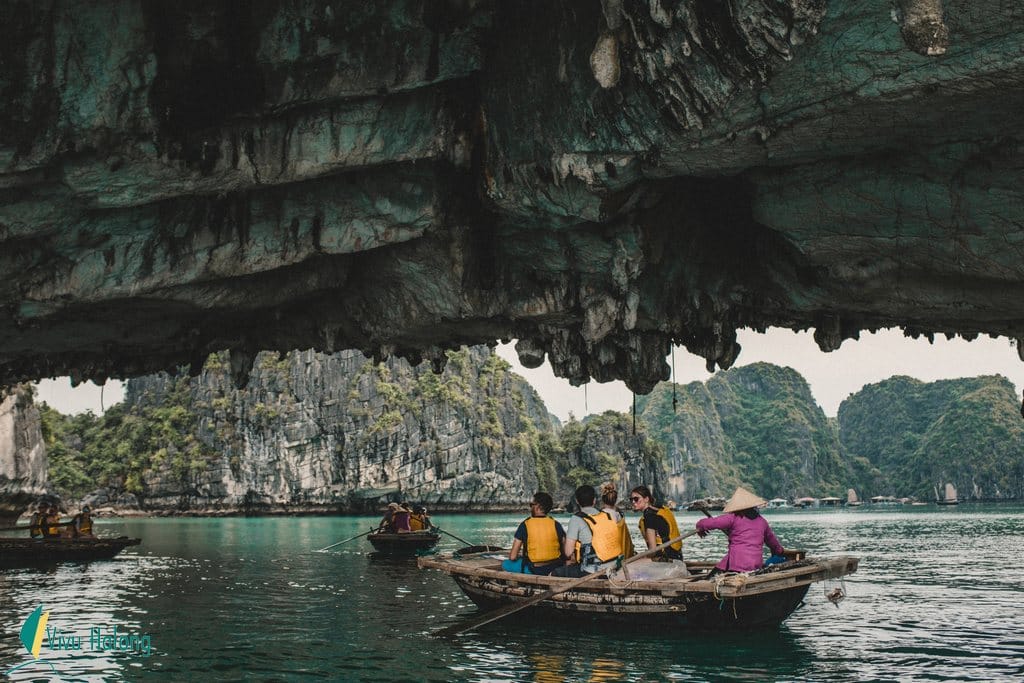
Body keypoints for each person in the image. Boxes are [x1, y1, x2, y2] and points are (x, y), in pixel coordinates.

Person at [695, 486, 785, 575]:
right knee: (723, 564)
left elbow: (708, 523)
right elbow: (774, 544)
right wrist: (780, 551)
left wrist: (700, 526)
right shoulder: (762, 522)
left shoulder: (733, 518)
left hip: (737, 564)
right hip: (755, 565)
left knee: (713, 576)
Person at [552, 485, 623, 578]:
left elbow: (568, 552)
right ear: (594, 500)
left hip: (592, 571)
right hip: (613, 568)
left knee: (555, 573)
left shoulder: (576, 519)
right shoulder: (607, 515)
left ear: (577, 501)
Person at [504, 492, 565, 575]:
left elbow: (513, 556)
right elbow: (565, 551)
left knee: (506, 564)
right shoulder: (556, 524)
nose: (530, 507)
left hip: (535, 569)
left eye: (531, 504)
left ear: (537, 507)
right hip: (555, 567)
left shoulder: (525, 525)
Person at [630, 485, 683, 561]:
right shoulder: (660, 509)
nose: (633, 502)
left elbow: (653, 551)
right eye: (631, 499)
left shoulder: (649, 517)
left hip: (665, 560)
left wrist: (642, 557)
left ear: (646, 499)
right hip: (677, 556)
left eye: (636, 499)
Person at [601, 483, 634, 559]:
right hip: (620, 549)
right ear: (615, 500)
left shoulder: (601, 515)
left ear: (603, 500)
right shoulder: (619, 515)